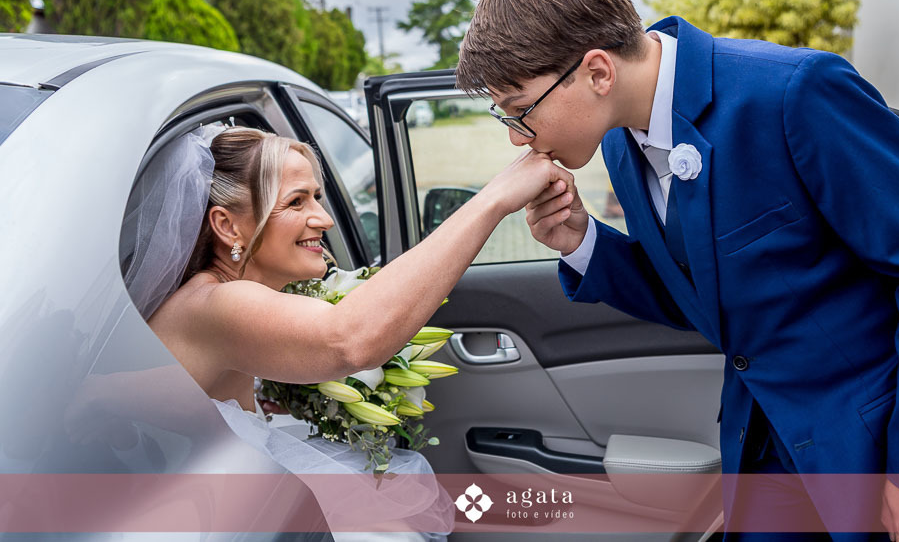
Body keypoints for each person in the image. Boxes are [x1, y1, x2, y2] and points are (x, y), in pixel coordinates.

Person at [455, 0, 899, 541]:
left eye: (519, 110)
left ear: (597, 72)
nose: (517, 138)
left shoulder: (794, 93)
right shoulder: (618, 141)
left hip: (885, 440)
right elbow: (704, 298)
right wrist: (582, 240)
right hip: (765, 447)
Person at [122, 124, 574, 539]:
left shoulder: (224, 298)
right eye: (297, 202)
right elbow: (349, 339)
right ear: (226, 225)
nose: (325, 218)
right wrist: (493, 200)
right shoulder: (218, 304)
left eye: (317, 198)